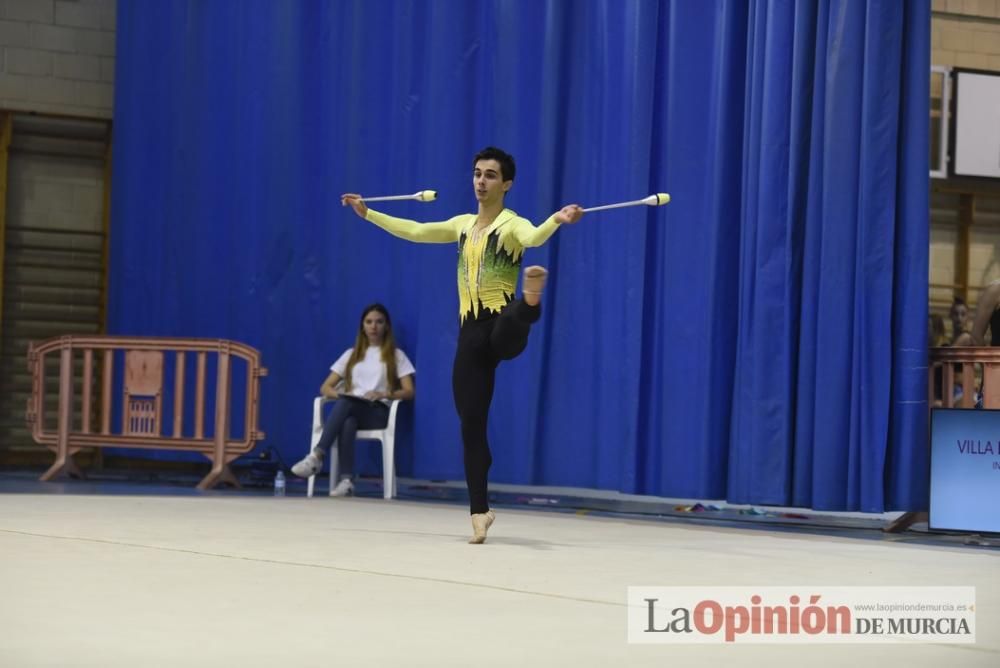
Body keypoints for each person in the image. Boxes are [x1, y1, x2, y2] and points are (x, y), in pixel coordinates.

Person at [341, 146, 584, 543]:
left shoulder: (512, 224)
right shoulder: (462, 224)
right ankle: (480, 512)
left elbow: (535, 236)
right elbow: (416, 231)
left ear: (507, 184)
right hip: (470, 337)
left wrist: (558, 218)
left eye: (490, 175)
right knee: (471, 426)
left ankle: (530, 302)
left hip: (502, 326)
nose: (481, 181)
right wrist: (369, 213)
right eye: (477, 174)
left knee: (510, 324)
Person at [291, 303, 415, 496]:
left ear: (386, 326)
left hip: (378, 411)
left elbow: (409, 391)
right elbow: (325, 387)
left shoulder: (396, 356)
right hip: (351, 407)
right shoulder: (351, 355)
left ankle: (317, 455)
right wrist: (342, 396)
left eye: (379, 322)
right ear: (362, 326)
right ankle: (347, 480)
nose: (373, 326)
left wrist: (384, 394)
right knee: (347, 419)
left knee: (346, 406)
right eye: (369, 322)